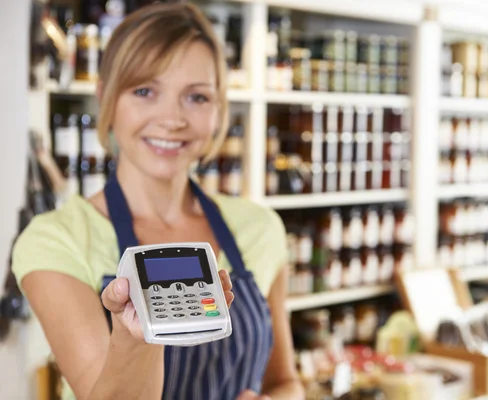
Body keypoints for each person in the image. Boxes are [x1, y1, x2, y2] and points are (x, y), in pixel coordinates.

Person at [11, 3, 304, 400]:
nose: (172, 119)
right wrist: (136, 336)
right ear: (107, 98)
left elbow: (284, 382)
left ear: (219, 109)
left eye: (197, 97)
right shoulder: (55, 240)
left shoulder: (261, 227)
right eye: (145, 91)